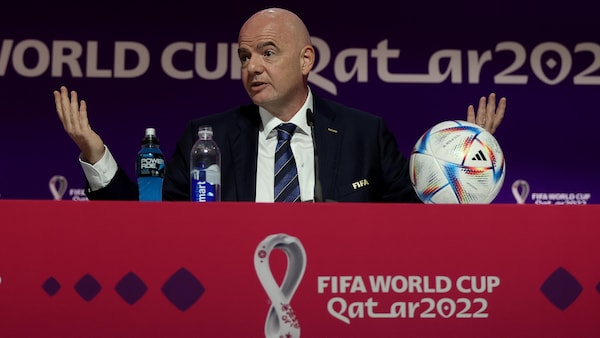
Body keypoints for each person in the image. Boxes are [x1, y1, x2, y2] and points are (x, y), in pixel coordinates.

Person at [54, 7, 506, 203]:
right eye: (244, 57)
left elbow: (416, 221)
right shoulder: (205, 138)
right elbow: (147, 223)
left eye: (267, 53)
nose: (252, 66)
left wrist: (466, 163)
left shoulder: (364, 134)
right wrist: (96, 155)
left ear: (306, 59)